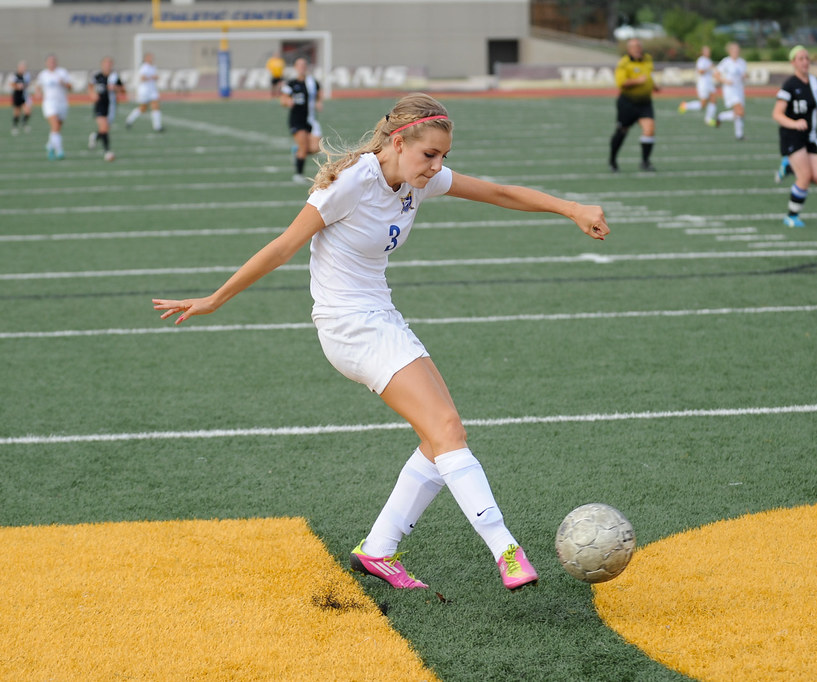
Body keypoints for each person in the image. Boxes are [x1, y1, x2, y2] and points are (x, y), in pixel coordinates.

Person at [153, 93, 611, 591]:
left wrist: (571, 208)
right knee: (448, 430)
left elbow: (499, 193)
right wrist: (216, 299)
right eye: (429, 155)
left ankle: (378, 550)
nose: (436, 167)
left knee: (438, 439)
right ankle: (506, 549)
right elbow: (285, 244)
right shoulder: (353, 184)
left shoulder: (416, 179)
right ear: (398, 141)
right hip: (349, 326)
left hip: (380, 317)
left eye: (443, 157)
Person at [771, 45, 817, 228]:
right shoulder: (789, 85)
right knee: (804, 177)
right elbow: (777, 114)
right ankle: (791, 216)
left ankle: (789, 167)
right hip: (792, 137)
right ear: (793, 63)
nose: (805, 62)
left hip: (811, 137)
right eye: (800, 59)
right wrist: (794, 123)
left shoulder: (816, 83)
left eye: (807, 58)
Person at [609, 38, 659, 172]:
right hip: (627, 103)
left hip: (645, 103)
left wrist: (653, 86)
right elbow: (621, 83)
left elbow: (649, 76)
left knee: (649, 129)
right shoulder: (624, 63)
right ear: (629, 49)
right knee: (622, 131)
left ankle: (645, 162)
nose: (637, 49)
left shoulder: (647, 59)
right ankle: (612, 160)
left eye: (639, 46)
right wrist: (638, 81)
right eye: (634, 47)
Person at [280, 57, 322, 183]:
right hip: (297, 119)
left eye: (304, 65)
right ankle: (298, 174)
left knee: (316, 148)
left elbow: (319, 95)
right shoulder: (291, 84)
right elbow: (283, 99)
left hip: (311, 119)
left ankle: (296, 152)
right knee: (303, 148)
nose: (302, 67)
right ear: (295, 67)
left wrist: (319, 102)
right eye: (299, 65)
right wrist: (288, 102)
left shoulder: (312, 82)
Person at [87, 56, 125, 162]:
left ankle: (95, 136)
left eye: (109, 63)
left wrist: (115, 88)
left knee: (105, 129)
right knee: (104, 127)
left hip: (111, 105)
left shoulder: (115, 77)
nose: (108, 65)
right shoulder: (97, 76)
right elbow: (90, 87)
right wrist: (92, 94)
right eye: (106, 63)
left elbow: (123, 90)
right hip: (100, 105)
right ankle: (107, 151)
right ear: (102, 64)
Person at [34, 54, 71, 160]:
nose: (52, 63)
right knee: (54, 125)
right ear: (46, 63)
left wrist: (63, 83)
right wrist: (38, 93)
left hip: (62, 103)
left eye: (53, 61)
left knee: (57, 128)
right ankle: (59, 150)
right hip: (49, 103)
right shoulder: (43, 74)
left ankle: (50, 146)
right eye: (49, 61)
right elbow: (38, 86)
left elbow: (70, 86)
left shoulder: (62, 72)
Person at [678, 45, 718, 128]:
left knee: (713, 100)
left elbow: (712, 71)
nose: (708, 52)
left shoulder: (708, 60)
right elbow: (700, 72)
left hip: (709, 84)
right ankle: (685, 105)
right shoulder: (701, 60)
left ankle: (708, 119)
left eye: (709, 51)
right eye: (706, 51)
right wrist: (708, 68)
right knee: (702, 105)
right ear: (703, 52)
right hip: (703, 84)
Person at [713, 42, 747, 141]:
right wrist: (725, 81)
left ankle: (739, 134)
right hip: (730, 90)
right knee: (740, 111)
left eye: (737, 50)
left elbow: (743, 76)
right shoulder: (726, 62)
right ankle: (721, 116)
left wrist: (744, 77)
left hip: (739, 89)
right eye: (734, 50)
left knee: (739, 113)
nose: (736, 52)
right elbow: (716, 74)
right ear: (730, 51)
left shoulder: (742, 62)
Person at [125, 53, 162, 132]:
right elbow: (142, 78)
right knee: (143, 108)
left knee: (156, 106)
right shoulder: (144, 67)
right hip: (144, 90)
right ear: (145, 59)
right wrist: (152, 77)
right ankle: (129, 119)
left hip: (152, 90)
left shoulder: (153, 67)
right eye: (149, 57)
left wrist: (155, 77)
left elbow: (156, 77)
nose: (151, 59)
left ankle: (157, 126)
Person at [11, 60, 32, 136]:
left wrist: (25, 86)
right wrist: (17, 86)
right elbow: (12, 84)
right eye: (21, 67)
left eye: (24, 67)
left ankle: (24, 123)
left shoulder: (26, 75)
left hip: (24, 95)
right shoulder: (15, 75)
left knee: (28, 111)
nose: (23, 69)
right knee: (17, 112)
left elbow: (28, 84)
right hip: (17, 95)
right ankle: (14, 126)